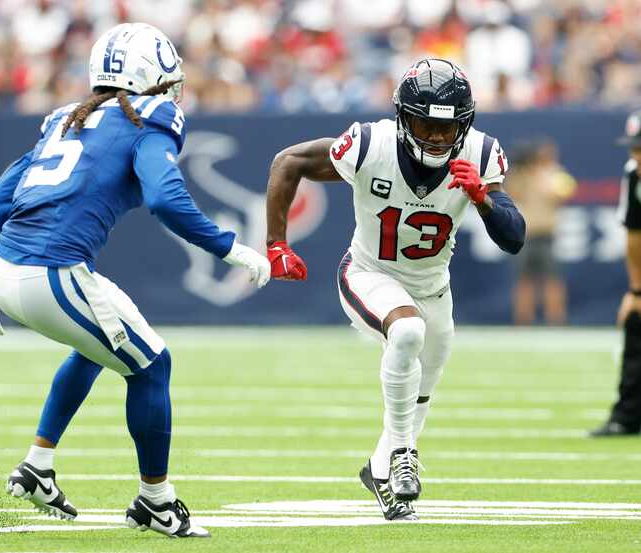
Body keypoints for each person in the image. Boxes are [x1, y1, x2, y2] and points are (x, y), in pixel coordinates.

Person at [0, 22, 271, 538]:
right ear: (152, 77)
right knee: (151, 367)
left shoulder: (62, 120)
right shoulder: (152, 115)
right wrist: (227, 246)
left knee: (97, 348)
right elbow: (165, 198)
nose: (174, 91)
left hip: (12, 268)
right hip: (50, 272)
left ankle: (37, 466)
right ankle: (156, 502)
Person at [264, 59, 525, 520]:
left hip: (433, 286)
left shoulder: (481, 156)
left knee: (425, 383)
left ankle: (381, 468)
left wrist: (484, 198)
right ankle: (404, 456)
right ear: (404, 118)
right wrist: (275, 243)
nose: (438, 138)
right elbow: (289, 161)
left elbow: (514, 237)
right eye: (426, 124)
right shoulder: (372, 144)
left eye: (449, 129)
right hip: (368, 273)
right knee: (406, 333)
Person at [591, 109, 641, 437]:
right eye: (635, 148)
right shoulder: (633, 173)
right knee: (635, 321)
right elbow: (635, 235)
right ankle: (628, 415)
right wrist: (636, 291)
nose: (637, 156)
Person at [507, 139, 576, 325]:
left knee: (552, 278)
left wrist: (542, 176)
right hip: (526, 233)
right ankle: (523, 319)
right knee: (524, 279)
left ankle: (555, 319)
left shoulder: (556, 174)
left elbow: (563, 193)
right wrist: (522, 171)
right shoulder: (523, 175)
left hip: (546, 233)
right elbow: (512, 192)